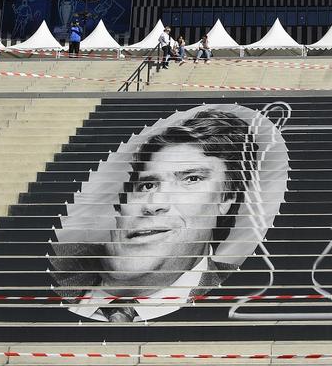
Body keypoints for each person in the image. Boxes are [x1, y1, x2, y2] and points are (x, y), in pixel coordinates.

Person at [65, 110, 253, 322]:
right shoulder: (62, 265)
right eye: (147, 185)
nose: (154, 204)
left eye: (191, 179)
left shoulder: (246, 289)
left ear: (226, 199)